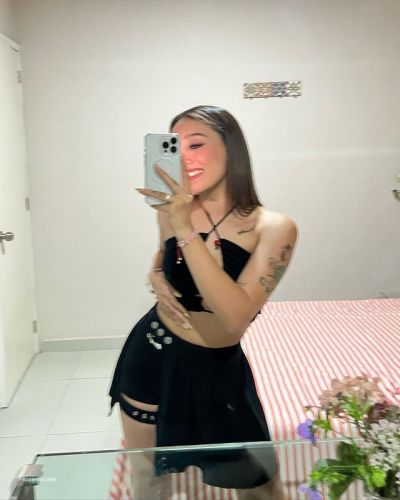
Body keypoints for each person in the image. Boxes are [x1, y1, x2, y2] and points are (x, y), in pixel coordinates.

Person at [108, 105, 297, 499]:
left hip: (218, 366)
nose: (185, 158)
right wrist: (155, 274)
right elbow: (163, 256)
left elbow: (235, 318)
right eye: (176, 147)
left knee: (261, 487)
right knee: (148, 480)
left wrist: (184, 228)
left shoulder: (273, 227)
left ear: (231, 148)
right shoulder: (170, 212)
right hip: (153, 352)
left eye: (197, 144)